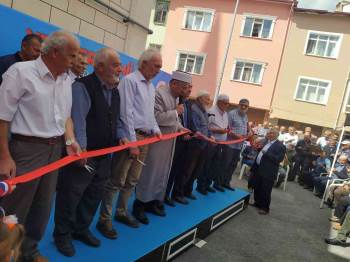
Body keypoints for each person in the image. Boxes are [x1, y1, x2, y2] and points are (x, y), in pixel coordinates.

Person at [0, 30, 80, 262]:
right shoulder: (20, 73)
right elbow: (2, 118)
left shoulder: (66, 80)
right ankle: (6, 254)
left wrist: (70, 141)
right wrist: (4, 156)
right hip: (25, 151)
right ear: (55, 53)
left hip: (55, 152)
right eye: (72, 55)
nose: (75, 61)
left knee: (43, 207)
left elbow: (65, 117)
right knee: (14, 209)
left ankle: (29, 251)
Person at [53, 48, 122, 257]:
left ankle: (81, 229)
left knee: (94, 195)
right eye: (115, 64)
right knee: (70, 195)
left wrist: (121, 137)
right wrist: (81, 150)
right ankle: (62, 235)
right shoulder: (83, 86)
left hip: (104, 156)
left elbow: (115, 120)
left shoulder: (115, 91)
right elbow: (78, 119)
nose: (119, 69)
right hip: (84, 154)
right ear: (99, 67)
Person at [98, 48, 162, 228]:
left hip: (145, 139)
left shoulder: (150, 87)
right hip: (130, 139)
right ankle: (104, 220)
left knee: (132, 180)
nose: (158, 70)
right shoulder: (130, 81)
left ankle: (121, 212)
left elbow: (149, 114)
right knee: (117, 180)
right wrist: (133, 143)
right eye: (156, 66)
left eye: (160, 67)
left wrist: (155, 129)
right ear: (144, 63)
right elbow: (125, 114)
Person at [134, 71, 190, 219]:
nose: (185, 91)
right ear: (174, 83)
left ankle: (152, 203)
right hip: (156, 142)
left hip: (168, 143)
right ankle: (139, 205)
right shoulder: (159, 94)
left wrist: (180, 128)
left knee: (161, 174)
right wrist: (176, 112)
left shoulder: (176, 97)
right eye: (183, 87)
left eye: (187, 88)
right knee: (149, 173)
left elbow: (174, 120)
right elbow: (156, 117)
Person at [165, 84, 194, 205]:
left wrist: (190, 133)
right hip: (175, 141)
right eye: (186, 88)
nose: (189, 90)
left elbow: (189, 122)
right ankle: (164, 195)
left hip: (186, 142)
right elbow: (174, 121)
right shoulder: (176, 102)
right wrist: (181, 132)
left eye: (190, 88)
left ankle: (175, 194)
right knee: (170, 171)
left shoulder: (188, 104)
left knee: (179, 170)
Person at [197, 94, 230, 193]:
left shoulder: (225, 113)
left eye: (228, 103)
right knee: (207, 164)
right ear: (219, 102)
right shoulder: (211, 111)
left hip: (221, 143)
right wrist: (219, 130)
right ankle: (201, 185)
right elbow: (207, 127)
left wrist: (225, 130)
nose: (227, 105)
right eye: (225, 103)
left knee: (215, 165)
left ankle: (208, 184)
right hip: (211, 142)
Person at [250, 128, 286, 214]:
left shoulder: (280, 146)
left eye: (272, 133)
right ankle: (257, 203)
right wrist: (258, 149)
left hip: (268, 171)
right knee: (257, 186)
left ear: (277, 135)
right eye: (269, 133)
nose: (269, 134)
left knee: (265, 190)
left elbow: (278, 159)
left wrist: (267, 153)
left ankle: (265, 208)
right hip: (258, 168)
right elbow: (262, 152)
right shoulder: (266, 142)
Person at [188, 90, 215, 195]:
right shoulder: (194, 109)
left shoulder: (204, 110)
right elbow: (196, 129)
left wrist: (211, 136)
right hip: (195, 144)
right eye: (207, 99)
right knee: (189, 169)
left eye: (209, 99)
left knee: (197, 170)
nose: (209, 101)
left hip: (203, 145)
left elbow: (207, 128)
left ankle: (188, 190)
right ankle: (181, 192)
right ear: (199, 98)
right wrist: (207, 138)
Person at [222, 99, 250, 191]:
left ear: (248, 107)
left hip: (239, 146)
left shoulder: (245, 116)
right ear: (238, 105)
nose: (243, 107)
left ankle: (226, 183)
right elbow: (227, 129)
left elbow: (246, 128)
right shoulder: (231, 114)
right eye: (242, 105)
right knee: (225, 164)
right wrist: (237, 136)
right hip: (230, 145)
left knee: (233, 165)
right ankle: (218, 183)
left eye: (246, 106)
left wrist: (249, 133)